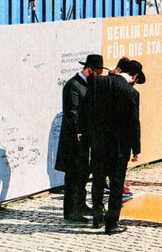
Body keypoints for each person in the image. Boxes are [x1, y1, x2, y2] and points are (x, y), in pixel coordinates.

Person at [79, 57, 144, 235]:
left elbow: (85, 109)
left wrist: (84, 132)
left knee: (98, 181)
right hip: (119, 147)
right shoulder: (131, 93)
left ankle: (97, 217)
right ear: (134, 76)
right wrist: (136, 148)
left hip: (98, 142)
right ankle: (111, 223)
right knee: (116, 185)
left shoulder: (98, 82)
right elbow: (134, 123)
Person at [55, 54, 104, 222]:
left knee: (83, 174)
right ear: (89, 69)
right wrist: (80, 132)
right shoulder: (73, 85)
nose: (98, 77)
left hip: (85, 140)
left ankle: (81, 205)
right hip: (74, 141)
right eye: (97, 73)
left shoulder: (87, 85)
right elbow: (72, 113)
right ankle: (71, 211)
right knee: (74, 176)